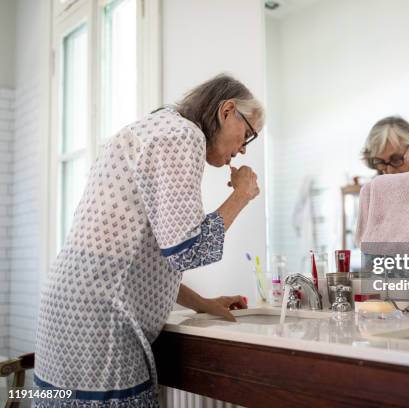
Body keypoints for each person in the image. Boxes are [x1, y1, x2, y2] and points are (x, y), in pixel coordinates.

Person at [34, 74, 263, 407]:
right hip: (103, 319)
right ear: (227, 111)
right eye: (248, 135)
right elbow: (187, 252)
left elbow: (144, 257)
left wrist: (203, 303)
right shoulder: (183, 135)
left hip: (71, 304)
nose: (243, 148)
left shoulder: (156, 127)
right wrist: (242, 195)